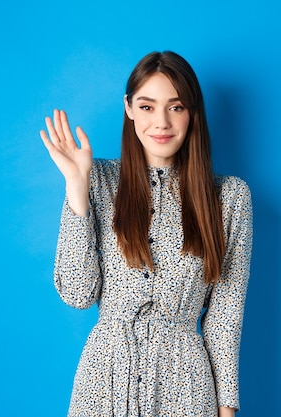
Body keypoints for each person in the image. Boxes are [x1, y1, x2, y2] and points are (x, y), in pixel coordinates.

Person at [40, 51, 252, 417]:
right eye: (147, 106)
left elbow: (224, 319)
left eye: (176, 107)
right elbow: (77, 294)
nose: (162, 122)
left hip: (186, 387)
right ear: (129, 108)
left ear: (192, 112)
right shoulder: (97, 179)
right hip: (103, 384)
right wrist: (76, 186)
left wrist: (226, 409)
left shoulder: (229, 198)